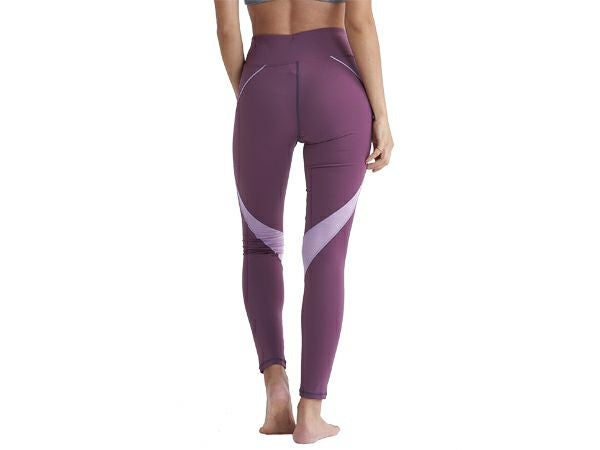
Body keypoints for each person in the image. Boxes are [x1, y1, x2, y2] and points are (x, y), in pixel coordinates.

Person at [214, 0, 394, 444]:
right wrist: (383, 115)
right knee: (325, 254)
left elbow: (228, 31)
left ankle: (275, 388)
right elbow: (359, 22)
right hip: (336, 85)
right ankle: (310, 412)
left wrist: (252, 93)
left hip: (263, 83)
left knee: (259, 245)